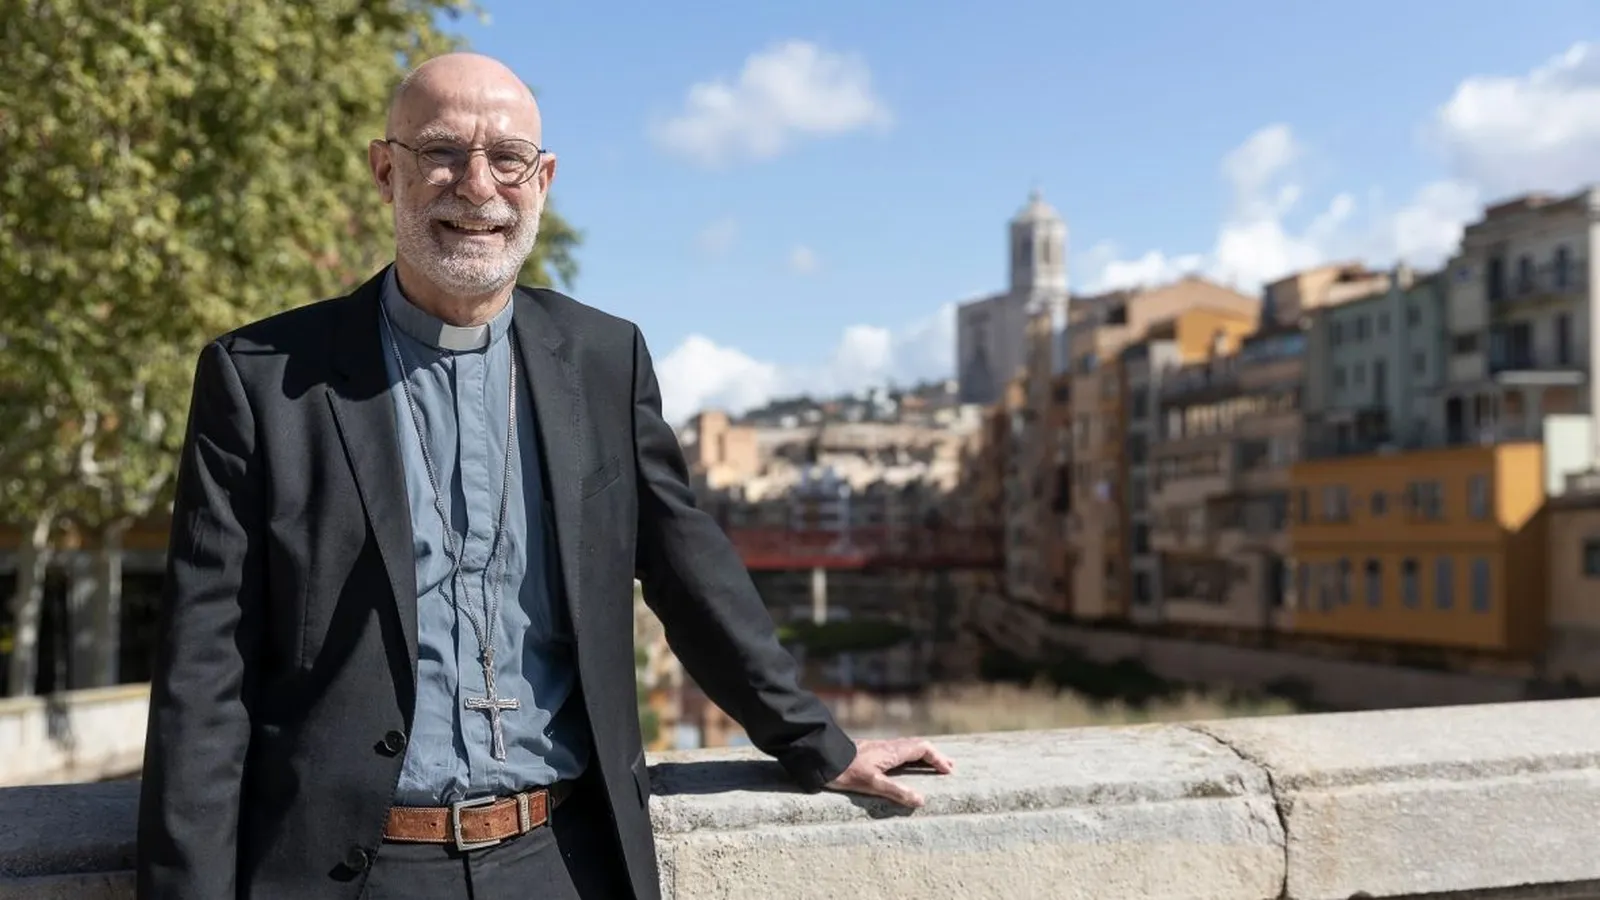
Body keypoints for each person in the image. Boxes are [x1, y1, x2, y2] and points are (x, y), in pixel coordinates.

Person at [135, 51, 954, 900]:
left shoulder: (605, 360)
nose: (477, 187)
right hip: (350, 873)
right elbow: (205, 672)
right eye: (441, 152)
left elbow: (687, 571)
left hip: (563, 861)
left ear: (543, 179)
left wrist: (815, 743)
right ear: (385, 171)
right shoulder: (261, 378)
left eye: (507, 158)